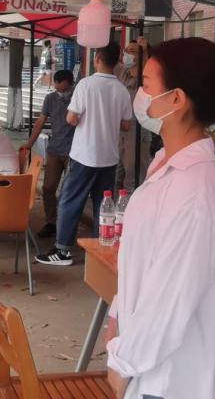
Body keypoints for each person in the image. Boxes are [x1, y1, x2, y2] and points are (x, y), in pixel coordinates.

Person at [105, 37, 215, 399]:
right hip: (150, 372)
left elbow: (170, 300)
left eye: (147, 83)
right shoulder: (167, 166)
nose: (139, 93)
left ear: (176, 100)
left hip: (170, 385)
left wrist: (123, 361)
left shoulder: (193, 193)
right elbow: (144, 269)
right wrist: (117, 321)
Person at [36, 42, 133, 266]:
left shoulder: (86, 84)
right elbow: (126, 125)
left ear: (96, 58)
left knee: (70, 201)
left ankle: (63, 251)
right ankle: (102, 249)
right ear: (117, 61)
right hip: (109, 158)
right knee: (103, 204)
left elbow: (71, 119)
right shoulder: (121, 89)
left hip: (85, 156)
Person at [23, 70, 75, 237]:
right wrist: (29, 144)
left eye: (63, 89)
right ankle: (51, 222)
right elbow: (40, 122)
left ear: (70, 84)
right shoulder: (50, 98)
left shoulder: (78, 97)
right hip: (54, 150)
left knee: (68, 190)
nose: (60, 92)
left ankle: (67, 224)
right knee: (48, 187)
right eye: (57, 88)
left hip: (74, 152)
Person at [114, 39, 144, 192]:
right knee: (115, 176)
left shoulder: (145, 77)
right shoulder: (121, 72)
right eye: (126, 50)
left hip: (136, 132)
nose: (127, 54)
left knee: (133, 177)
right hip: (119, 131)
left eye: (132, 51)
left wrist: (146, 51)